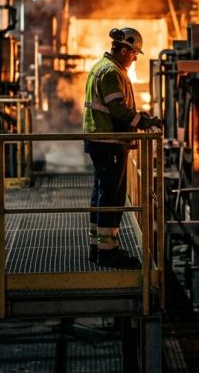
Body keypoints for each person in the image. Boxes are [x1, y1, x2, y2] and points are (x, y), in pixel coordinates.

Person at [82, 27, 161, 267]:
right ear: (124, 49)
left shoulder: (102, 67)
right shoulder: (111, 72)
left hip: (100, 140)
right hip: (109, 142)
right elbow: (117, 109)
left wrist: (138, 117)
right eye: (135, 52)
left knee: (101, 193)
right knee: (112, 196)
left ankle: (97, 246)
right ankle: (108, 251)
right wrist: (143, 121)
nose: (136, 57)